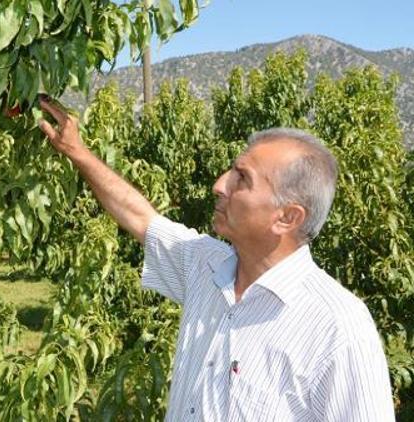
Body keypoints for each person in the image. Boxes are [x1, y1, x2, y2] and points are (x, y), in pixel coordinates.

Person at [37, 96, 395, 421]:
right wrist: (78, 152)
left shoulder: (337, 327)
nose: (220, 185)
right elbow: (141, 218)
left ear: (287, 217)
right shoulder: (206, 265)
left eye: (242, 179)